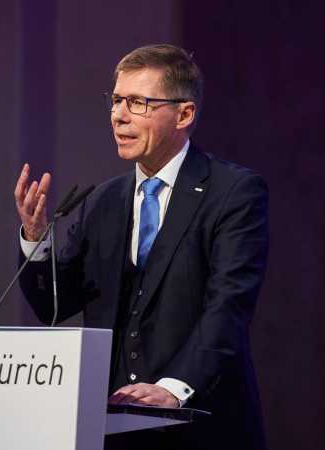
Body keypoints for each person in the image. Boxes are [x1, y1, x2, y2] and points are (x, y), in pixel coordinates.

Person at [14, 44, 268, 450]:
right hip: (113, 430)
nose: (119, 115)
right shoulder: (102, 201)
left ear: (184, 114)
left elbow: (229, 305)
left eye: (138, 102)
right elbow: (54, 307)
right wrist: (35, 238)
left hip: (201, 426)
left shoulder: (233, 193)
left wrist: (174, 388)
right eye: (116, 100)